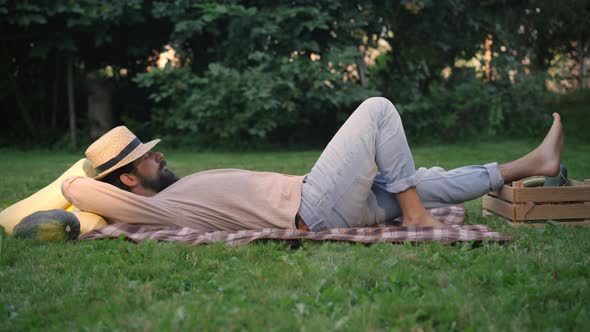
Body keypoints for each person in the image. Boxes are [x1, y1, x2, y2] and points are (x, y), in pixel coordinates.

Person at [61, 97, 564, 231]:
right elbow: (79, 190)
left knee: (420, 179)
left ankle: (530, 164)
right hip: (315, 209)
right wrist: (73, 183)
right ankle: (414, 216)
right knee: (377, 111)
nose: (159, 155)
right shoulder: (162, 211)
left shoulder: (176, 191)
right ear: (128, 179)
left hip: (324, 200)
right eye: (149, 158)